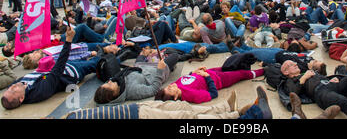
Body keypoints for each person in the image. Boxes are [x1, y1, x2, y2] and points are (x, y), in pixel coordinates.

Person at [0, 27, 101, 110]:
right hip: (73, 71)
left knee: (98, 51)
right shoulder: (40, 91)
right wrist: (68, 41)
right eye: (13, 90)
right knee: (97, 61)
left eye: (9, 89)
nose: (12, 87)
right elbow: (57, 70)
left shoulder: (20, 85)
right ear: (21, 98)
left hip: (66, 63)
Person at [66, 87, 273, 120]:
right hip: (139, 117)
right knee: (186, 117)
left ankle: (225, 108)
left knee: (183, 107)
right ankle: (239, 116)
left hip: (140, 108)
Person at [94, 53, 179, 105]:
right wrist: (160, 70)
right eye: (109, 84)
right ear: (114, 94)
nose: (110, 81)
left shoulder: (118, 81)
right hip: (155, 69)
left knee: (142, 53)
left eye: (107, 82)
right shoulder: (133, 91)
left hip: (140, 65)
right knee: (175, 56)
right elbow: (154, 89)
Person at [154, 66, 264, 104]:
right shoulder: (192, 95)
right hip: (219, 80)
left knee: (231, 66)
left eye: (167, 87)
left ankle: (246, 66)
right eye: (169, 89)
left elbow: (187, 79)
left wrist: (194, 72)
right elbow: (213, 94)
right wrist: (206, 77)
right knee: (240, 74)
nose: (169, 85)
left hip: (210, 72)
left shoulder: (175, 85)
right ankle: (262, 71)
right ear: (176, 97)